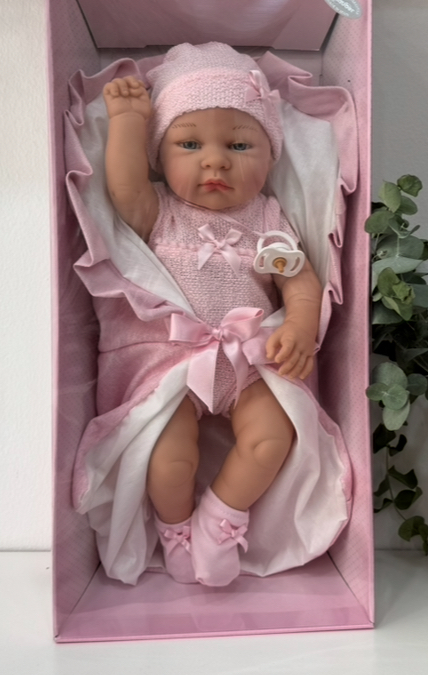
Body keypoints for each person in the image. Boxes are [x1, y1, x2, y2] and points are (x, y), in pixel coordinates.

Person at [102, 42, 323, 587]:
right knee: (168, 457)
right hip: (175, 367)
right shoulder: (159, 210)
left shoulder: (269, 218)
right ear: (159, 157)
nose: (216, 160)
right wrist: (128, 122)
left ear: (271, 157)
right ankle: (175, 527)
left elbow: (298, 277)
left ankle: (221, 519)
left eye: (240, 144)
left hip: (250, 364)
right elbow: (123, 187)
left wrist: (299, 324)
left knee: (271, 439)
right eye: (189, 143)